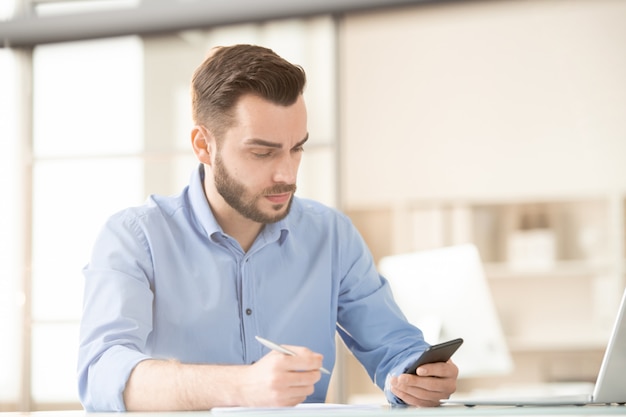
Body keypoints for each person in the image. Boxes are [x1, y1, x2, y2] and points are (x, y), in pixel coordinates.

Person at [77, 44, 458, 412]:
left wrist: (416, 376)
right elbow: (101, 373)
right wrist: (241, 386)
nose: (287, 174)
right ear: (203, 145)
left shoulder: (332, 235)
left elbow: (395, 348)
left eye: (297, 148)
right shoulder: (134, 238)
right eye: (262, 152)